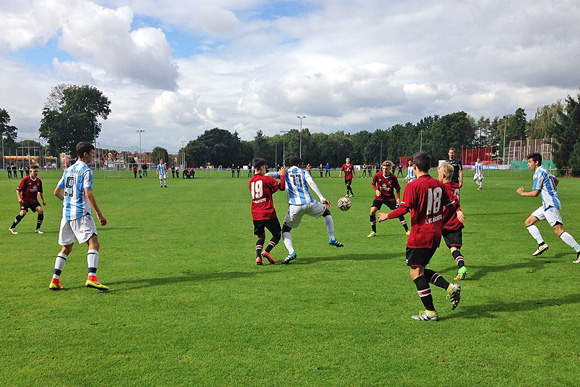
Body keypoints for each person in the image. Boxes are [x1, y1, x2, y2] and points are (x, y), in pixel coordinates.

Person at [377, 152, 461, 321]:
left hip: (420, 235)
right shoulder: (439, 185)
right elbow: (453, 204)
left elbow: (404, 209)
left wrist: (387, 215)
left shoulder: (413, 186)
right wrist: (441, 220)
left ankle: (430, 312)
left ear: (414, 167)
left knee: (415, 273)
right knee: (420, 269)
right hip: (435, 235)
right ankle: (450, 288)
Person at [49, 142, 108, 291]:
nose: (94, 157)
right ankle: (92, 277)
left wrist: (68, 202)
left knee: (66, 247)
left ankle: (55, 280)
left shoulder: (67, 170)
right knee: (94, 242)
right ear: (86, 154)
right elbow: (88, 193)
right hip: (81, 213)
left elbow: (56, 192)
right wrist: (99, 214)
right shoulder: (86, 171)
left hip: (66, 215)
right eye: (93, 154)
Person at [270, 156, 343, 264]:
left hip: (295, 206)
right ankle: (331, 237)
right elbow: (311, 183)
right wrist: (321, 197)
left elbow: (268, 175)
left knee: (285, 230)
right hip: (309, 203)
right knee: (327, 212)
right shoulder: (304, 171)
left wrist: (278, 174)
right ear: (299, 164)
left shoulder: (286, 172)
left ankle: (291, 252)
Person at [517, 153, 580, 262]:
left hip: (550, 204)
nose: (528, 164)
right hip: (546, 205)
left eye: (530, 162)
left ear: (536, 163)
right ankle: (541, 244)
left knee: (559, 231)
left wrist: (522, 193)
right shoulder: (544, 170)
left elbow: (535, 193)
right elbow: (556, 181)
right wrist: (551, 191)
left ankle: (579, 250)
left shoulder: (538, 174)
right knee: (528, 222)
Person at [249, 158, 286, 265]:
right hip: (268, 213)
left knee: (261, 237)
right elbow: (282, 187)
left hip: (256, 214)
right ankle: (267, 251)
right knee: (277, 234)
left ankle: (258, 257)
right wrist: (282, 175)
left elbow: (265, 192)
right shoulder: (266, 179)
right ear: (261, 168)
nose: (266, 169)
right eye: (265, 167)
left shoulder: (251, 181)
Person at [438, 163, 468, 280]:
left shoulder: (442, 188)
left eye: (439, 174)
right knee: (454, 249)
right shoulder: (455, 186)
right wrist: (458, 210)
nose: (438, 176)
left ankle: (422, 264)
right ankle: (461, 267)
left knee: (430, 242)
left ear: (444, 175)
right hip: (456, 222)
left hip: (444, 221)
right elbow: (456, 202)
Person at [368, 161, 409, 237]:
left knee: (398, 212)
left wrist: (398, 199)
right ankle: (373, 231)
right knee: (372, 211)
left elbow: (398, 188)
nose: (384, 170)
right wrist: (376, 190)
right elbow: (373, 183)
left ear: (390, 168)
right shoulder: (377, 175)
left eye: (386, 169)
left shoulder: (393, 178)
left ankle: (407, 230)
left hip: (390, 198)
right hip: (379, 197)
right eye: (383, 168)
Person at [9, 164, 46, 235]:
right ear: (30, 171)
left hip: (34, 200)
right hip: (25, 200)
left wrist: (43, 200)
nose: (36, 173)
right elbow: (18, 190)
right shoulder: (25, 179)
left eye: (37, 171)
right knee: (23, 213)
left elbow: (40, 192)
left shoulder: (39, 181)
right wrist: (19, 198)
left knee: (40, 210)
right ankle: (12, 228)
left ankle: (37, 229)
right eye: (35, 171)